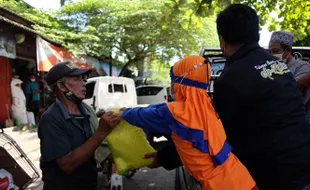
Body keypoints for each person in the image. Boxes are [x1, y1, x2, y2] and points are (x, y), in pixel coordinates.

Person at [113, 56, 257, 190]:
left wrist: (121, 114)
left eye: (173, 79)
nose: (171, 85)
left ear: (181, 84)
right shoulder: (208, 106)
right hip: (242, 178)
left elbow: (145, 115)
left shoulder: (177, 112)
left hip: (218, 185)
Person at [212, 4, 310, 190]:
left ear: (222, 40)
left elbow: (218, 136)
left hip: (271, 176)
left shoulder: (230, 78)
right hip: (303, 163)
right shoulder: (278, 65)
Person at [38, 61, 120, 190]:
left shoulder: (86, 110)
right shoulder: (51, 119)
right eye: (77, 79)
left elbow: (96, 149)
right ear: (62, 86)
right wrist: (100, 133)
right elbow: (67, 165)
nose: (84, 83)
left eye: (83, 79)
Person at [269, 31, 310, 123]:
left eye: (275, 51)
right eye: (270, 52)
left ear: (287, 50)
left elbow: (292, 94)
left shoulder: (302, 66)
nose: (272, 55)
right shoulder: (272, 69)